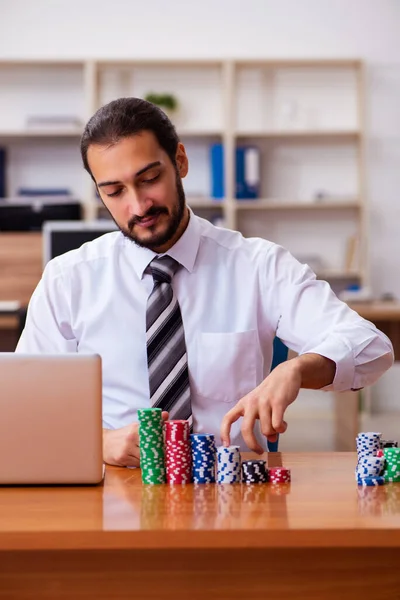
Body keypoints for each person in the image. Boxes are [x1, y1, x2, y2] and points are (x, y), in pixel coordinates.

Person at [16, 97, 394, 467]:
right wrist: (98, 442)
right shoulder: (67, 279)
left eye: (149, 179)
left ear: (180, 161)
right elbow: (25, 405)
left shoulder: (258, 265)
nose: (138, 205)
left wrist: (295, 369)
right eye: (114, 191)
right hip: (116, 494)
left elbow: (372, 349)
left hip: (233, 494)